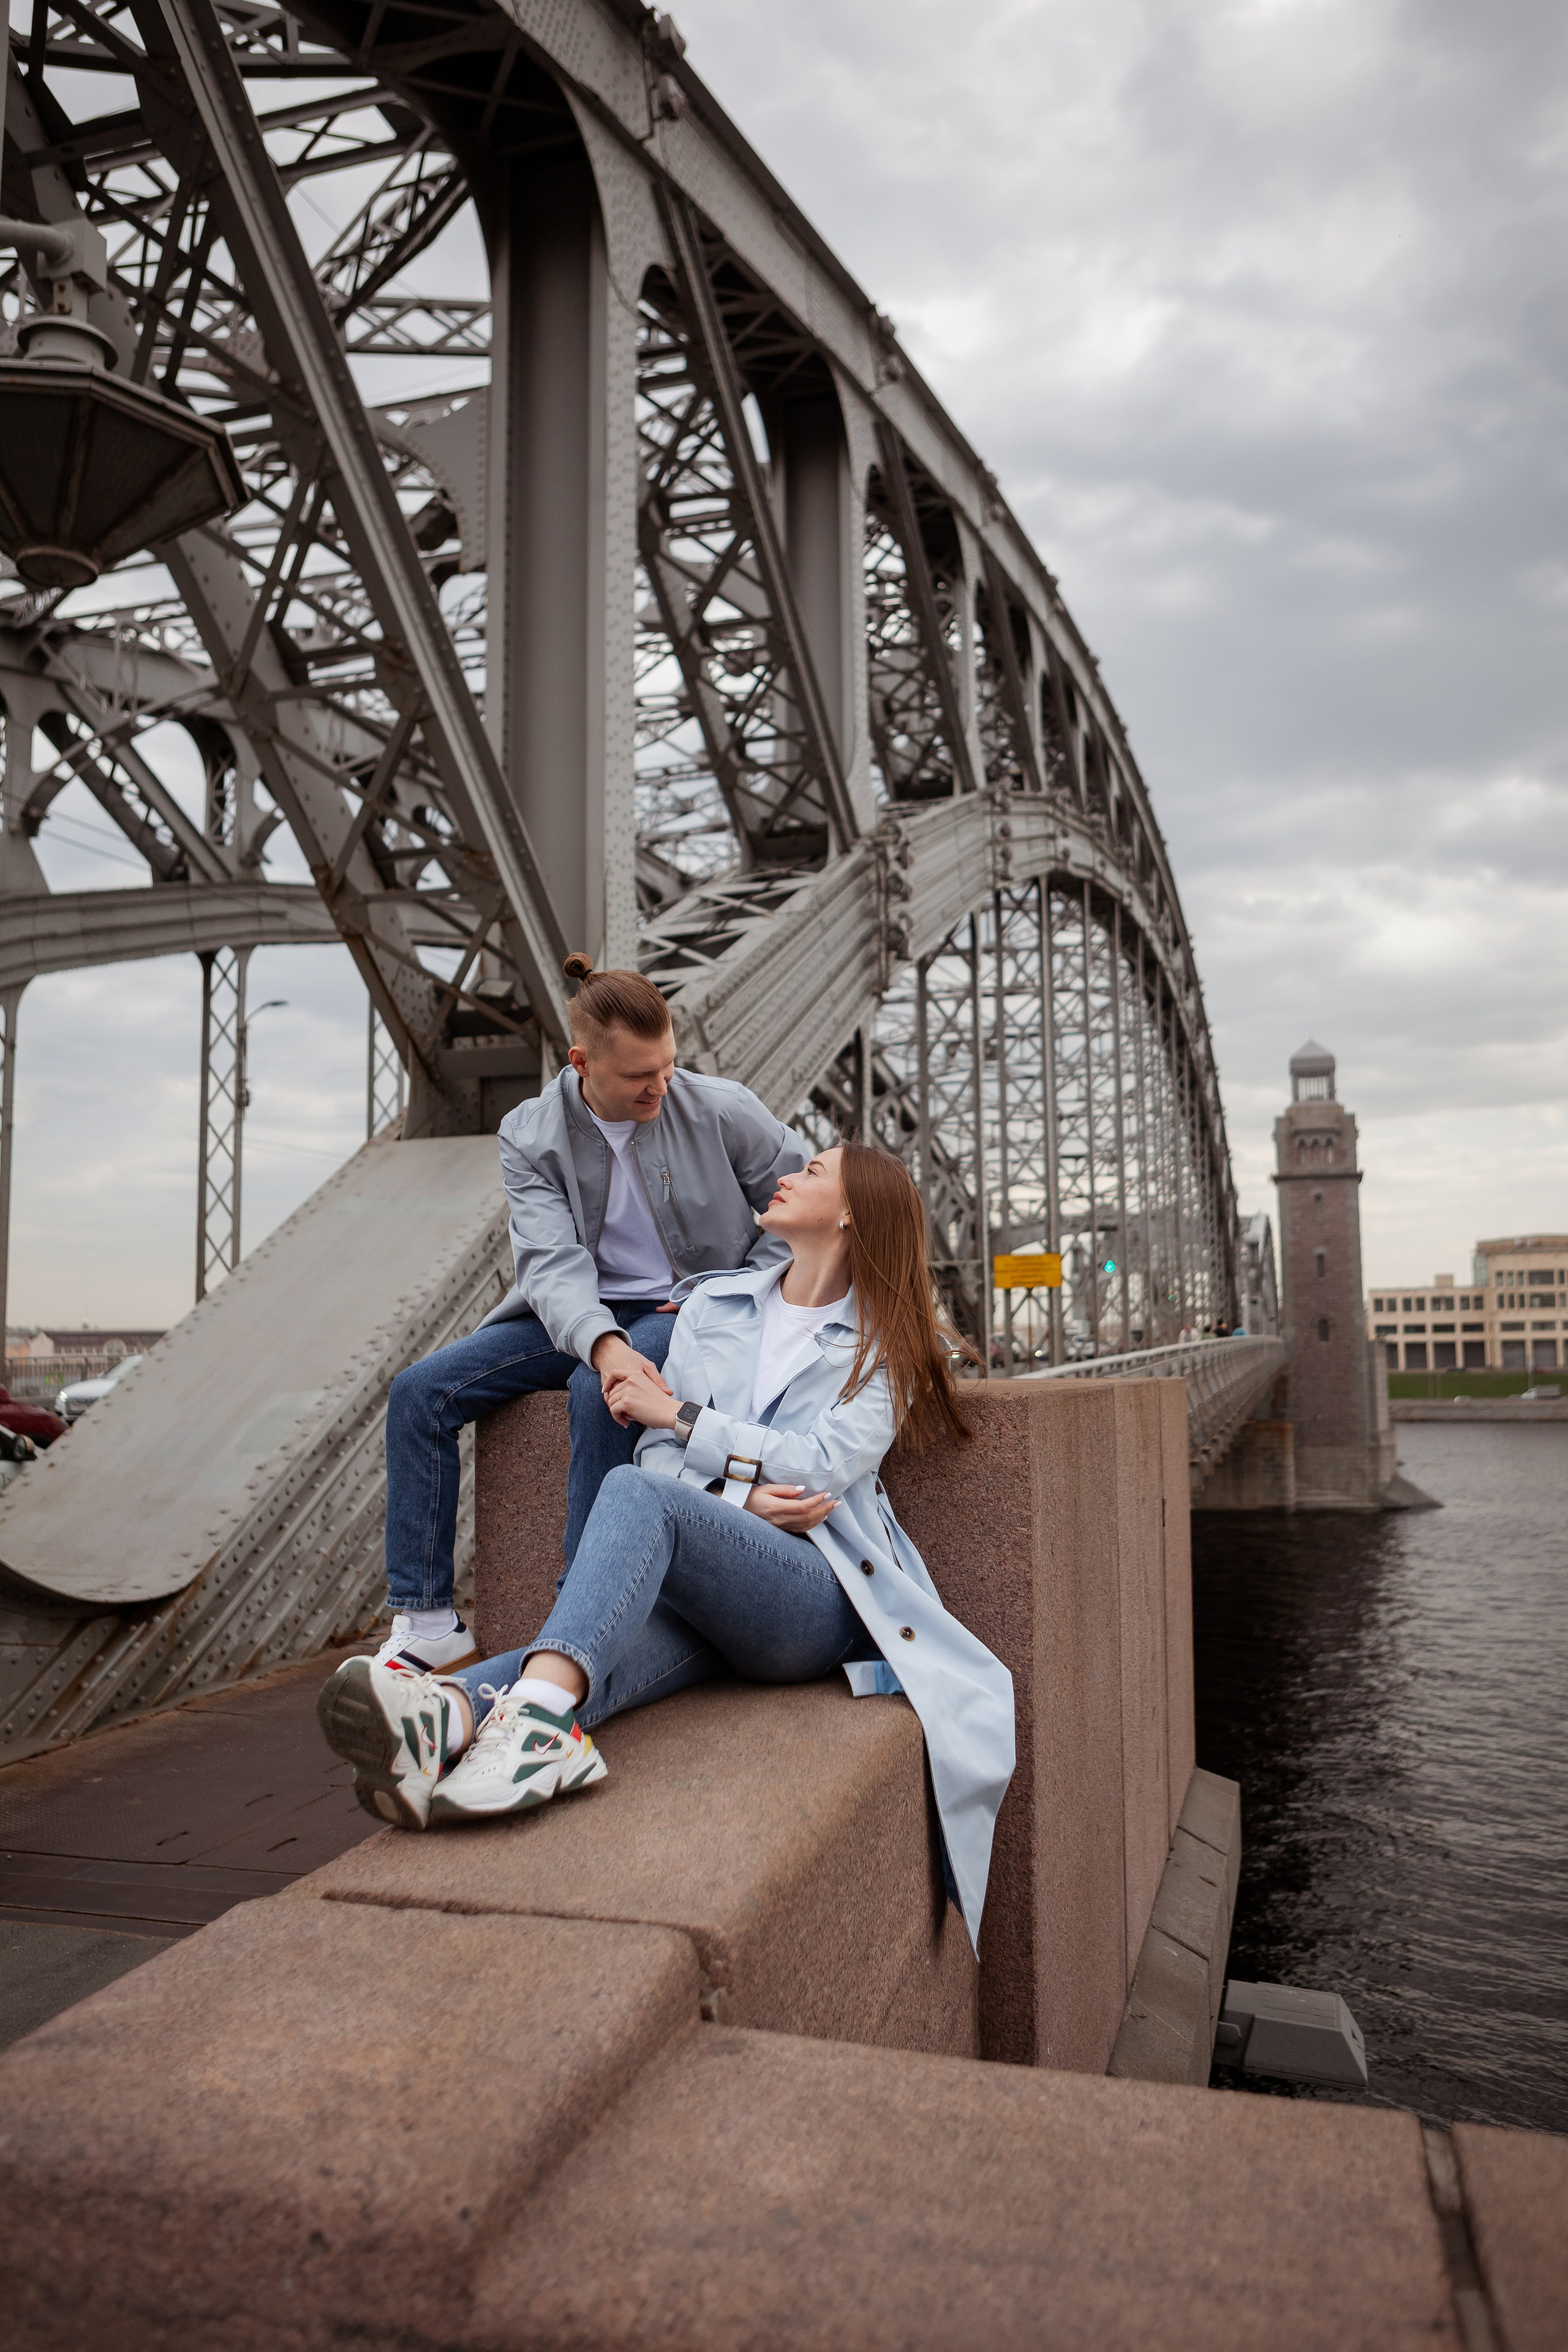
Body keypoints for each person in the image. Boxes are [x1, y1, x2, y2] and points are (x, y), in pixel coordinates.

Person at [318, 1140, 1016, 1950]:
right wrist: (741, 1494)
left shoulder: (888, 1340)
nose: (788, 1176)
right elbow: (657, 1456)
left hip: (813, 1597)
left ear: (853, 1210)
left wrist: (684, 1421)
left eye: (813, 1172)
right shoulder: (714, 1308)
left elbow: (821, 1467)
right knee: (616, 1595)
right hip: (710, 1588)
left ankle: (529, 1729)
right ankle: (453, 1714)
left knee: (639, 1495)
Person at [372, 955, 806, 1676]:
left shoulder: (720, 1107)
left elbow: (799, 1205)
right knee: (421, 1393)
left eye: (668, 1065)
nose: (661, 1086)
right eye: (641, 1075)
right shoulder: (530, 1132)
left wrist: (736, 1284)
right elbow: (548, 1261)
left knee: (596, 1395)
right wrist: (601, 1341)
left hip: (692, 1301)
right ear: (582, 1063)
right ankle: (426, 1622)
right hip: (580, 1311)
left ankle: (584, 1613)